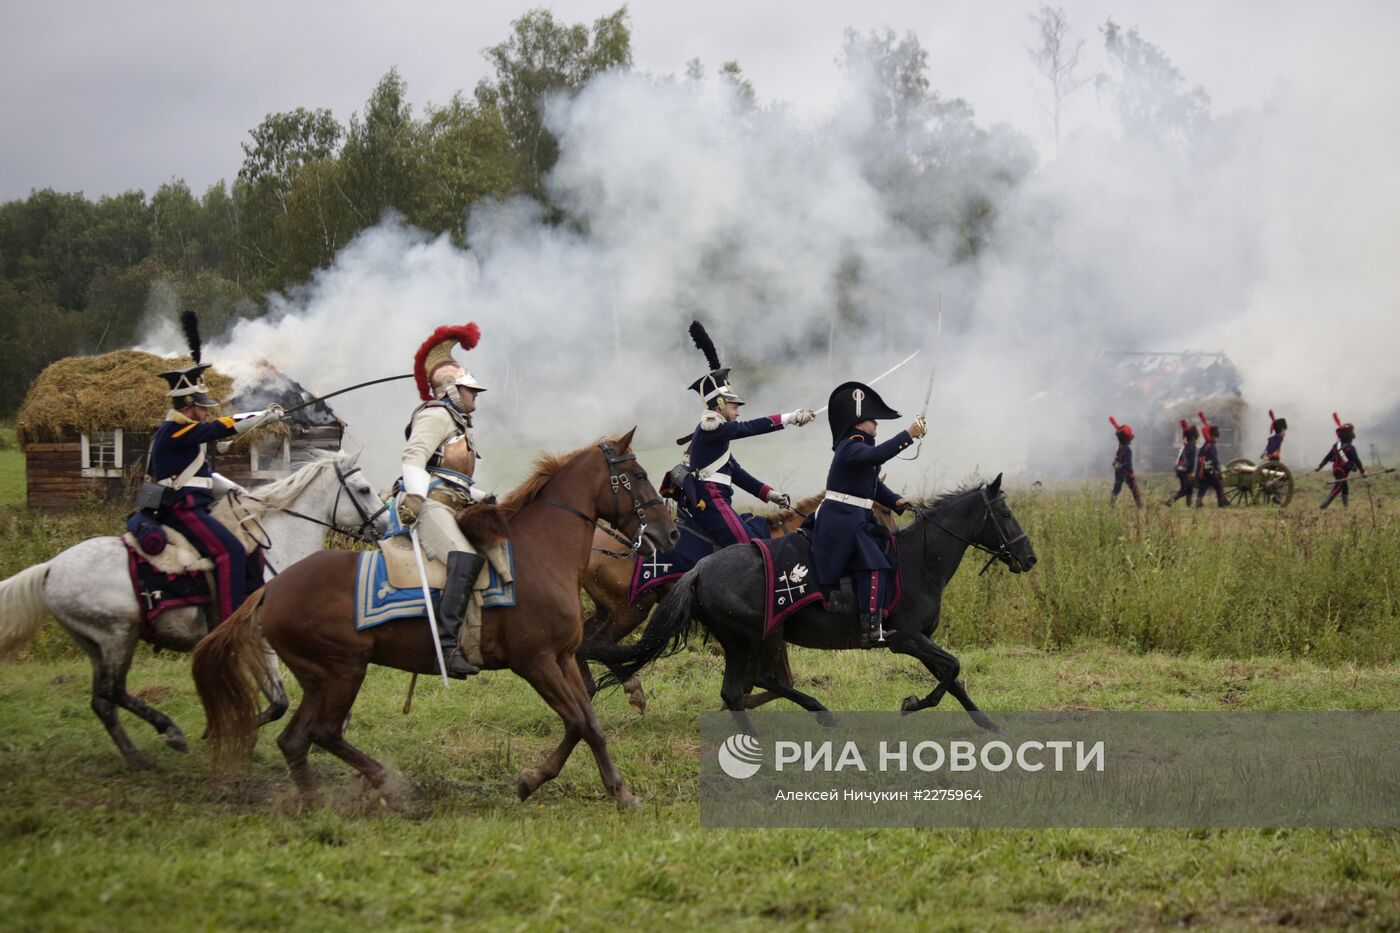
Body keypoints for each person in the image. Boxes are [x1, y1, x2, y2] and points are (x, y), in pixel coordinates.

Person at [150, 314, 284, 621]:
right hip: (182, 509)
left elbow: (202, 475)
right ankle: (228, 625)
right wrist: (263, 415)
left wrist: (236, 490)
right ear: (187, 406)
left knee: (248, 544)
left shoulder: (183, 431)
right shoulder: (175, 430)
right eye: (200, 406)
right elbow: (219, 428)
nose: (204, 411)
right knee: (230, 553)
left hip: (198, 503)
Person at [395, 323, 491, 678]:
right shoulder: (435, 415)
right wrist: (416, 499)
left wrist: (486, 498)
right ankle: (446, 649)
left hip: (455, 502)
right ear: (451, 390)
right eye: (470, 391)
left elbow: (458, 480)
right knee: (463, 559)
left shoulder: (459, 423)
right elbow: (414, 458)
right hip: (431, 504)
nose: (475, 396)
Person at [675, 321, 813, 548]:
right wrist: (790, 418)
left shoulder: (719, 434)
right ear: (719, 405)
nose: (738, 412)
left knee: (757, 533)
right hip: (710, 499)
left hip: (717, 497)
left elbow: (736, 473)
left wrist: (769, 494)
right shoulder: (712, 427)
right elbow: (748, 428)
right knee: (747, 547)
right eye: (734, 407)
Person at [811, 381, 924, 647]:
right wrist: (908, 435)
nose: (876, 424)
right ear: (858, 423)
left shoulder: (861, 448)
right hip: (841, 518)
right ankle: (871, 628)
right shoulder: (851, 446)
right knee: (874, 564)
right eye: (872, 420)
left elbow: (873, 485)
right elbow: (877, 456)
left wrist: (896, 500)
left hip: (854, 518)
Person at [1317, 419, 1364, 509]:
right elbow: (1357, 460)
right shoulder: (1350, 448)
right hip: (1342, 471)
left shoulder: (1336, 446)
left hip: (1335, 470)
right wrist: (1362, 471)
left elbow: (1327, 457)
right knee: (1338, 488)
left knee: (1344, 487)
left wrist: (1320, 467)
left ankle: (1345, 508)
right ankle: (1325, 504)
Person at [1109, 418, 1142, 508]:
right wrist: (1131, 474)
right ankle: (1140, 506)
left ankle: (1112, 505)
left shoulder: (1119, 448)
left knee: (1116, 489)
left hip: (1118, 472)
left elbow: (1116, 461)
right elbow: (1128, 464)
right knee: (1135, 489)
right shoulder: (1128, 449)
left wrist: (1117, 466)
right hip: (1127, 473)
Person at [1164, 420, 1198, 507]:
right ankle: (1170, 501)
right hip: (1184, 471)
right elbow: (1190, 463)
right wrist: (1191, 473)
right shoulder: (1192, 448)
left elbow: (1183, 460)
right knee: (1184, 490)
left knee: (1189, 488)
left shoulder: (1186, 446)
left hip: (1180, 469)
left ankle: (1189, 504)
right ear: (1194, 438)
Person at [1195, 423, 1228, 508]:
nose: (1216, 439)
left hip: (1203, 470)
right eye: (1215, 437)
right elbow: (1215, 461)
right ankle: (1221, 504)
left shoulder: (1204, 446)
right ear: (1212, 436)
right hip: (1209, 470)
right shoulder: (1212, 447)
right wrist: (1220, 471)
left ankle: (1198, 501)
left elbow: (1200, 458)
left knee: (1203, 486)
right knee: (1218, 487)